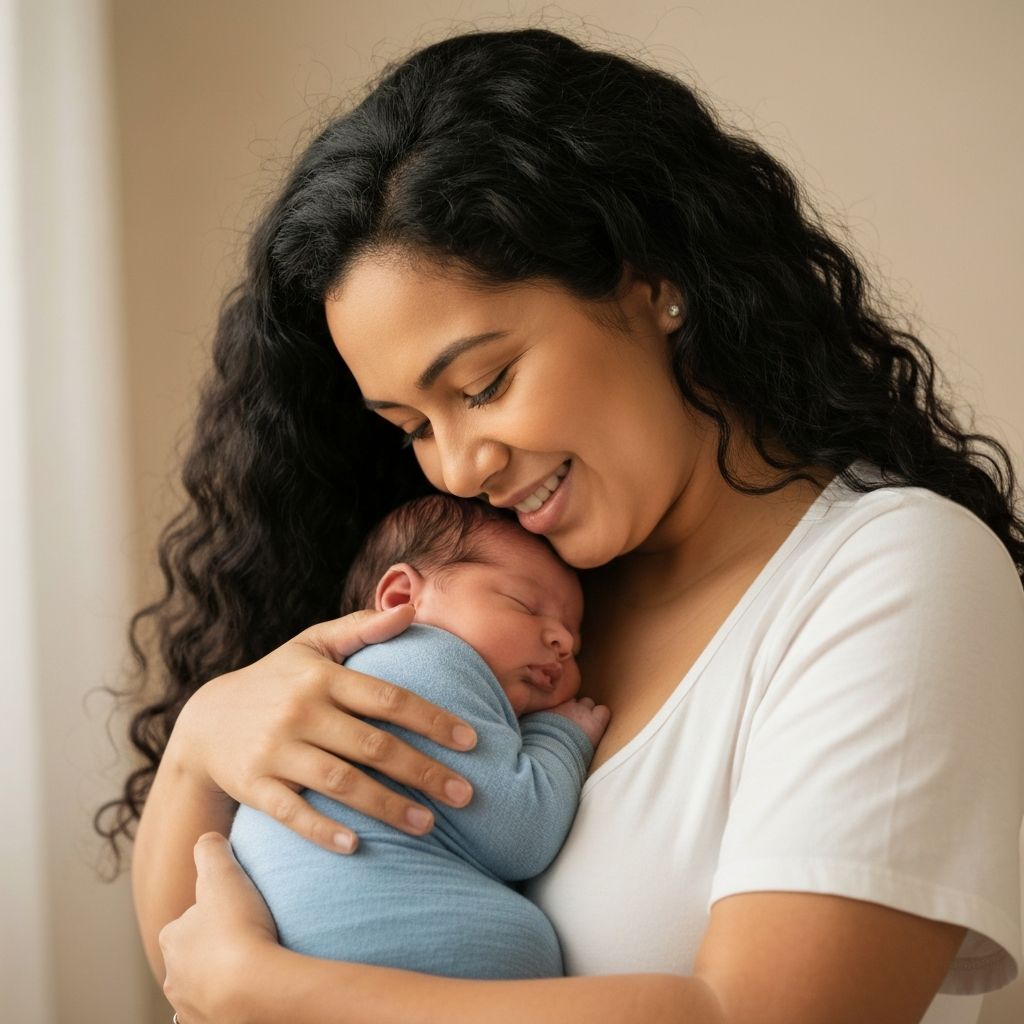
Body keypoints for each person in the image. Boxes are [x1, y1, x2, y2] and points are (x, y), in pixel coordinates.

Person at [96, 25, 1024, 1024]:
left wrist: (279, 993)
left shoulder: (892, 575)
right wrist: (200, 745)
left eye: (485, 383)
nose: (460, 466)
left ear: (651, 281)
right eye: (413, 426)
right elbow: (197, 959)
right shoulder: (494, 591)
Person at [229, 491, 610, 977]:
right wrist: (563, 734)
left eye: (575, 640)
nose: (563, 641)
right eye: (525, 605)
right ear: (402, 600)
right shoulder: (425, 658)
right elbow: (523, 835)